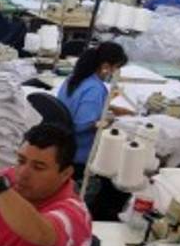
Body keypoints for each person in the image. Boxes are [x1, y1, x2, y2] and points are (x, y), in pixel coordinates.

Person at [57, 42, 133, 221]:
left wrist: (111, 108)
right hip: (80, 153)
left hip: (63, 145)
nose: (115, 73)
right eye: (116, 68)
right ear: (106, 66)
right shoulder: (95, 89)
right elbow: (82, 124)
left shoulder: (74, 79)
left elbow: (76, 105)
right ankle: (102, 216)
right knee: (117, 177)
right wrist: (109, 121)